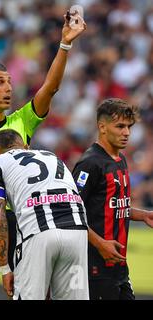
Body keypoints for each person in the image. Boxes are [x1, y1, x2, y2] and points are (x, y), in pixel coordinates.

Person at [0, 13, 86, 300]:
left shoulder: (21, 122)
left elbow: (51, 87)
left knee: (32, 294)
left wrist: (65, 45)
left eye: (9, 82)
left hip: (23, 219)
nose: (8, 88)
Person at [0, 129, 89, 300]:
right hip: (77, 229)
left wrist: (4, 269)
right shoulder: (52, 156)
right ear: (26, 146)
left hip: (37, 231)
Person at [72, 98, 153, 300]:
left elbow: (114, 206)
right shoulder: (90, 164)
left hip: (119, 267)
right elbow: (71, 213)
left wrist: (142, 215)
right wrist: (100, 244)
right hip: (95, 267)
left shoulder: (120, 159)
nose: (126, 132)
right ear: (102, 127)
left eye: (129, 127)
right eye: (120, 126)